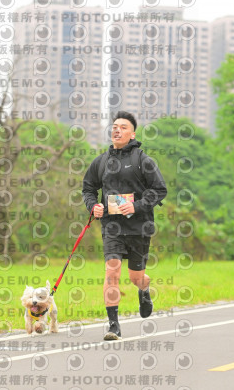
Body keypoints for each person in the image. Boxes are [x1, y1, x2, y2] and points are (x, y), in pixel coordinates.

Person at [82, 111, 167, 340]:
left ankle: (144, 288)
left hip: (139, 227)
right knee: (112, 269)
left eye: (123, 127)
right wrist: (93, 206)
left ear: (132, 134)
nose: (117, 130)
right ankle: (113, 326)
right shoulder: (101, 162)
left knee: (135, 276)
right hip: (112, 226)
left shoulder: (143, 160)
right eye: (114, 127)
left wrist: (136, 206)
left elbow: (160, 190)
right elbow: (88, 188)